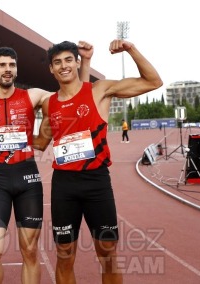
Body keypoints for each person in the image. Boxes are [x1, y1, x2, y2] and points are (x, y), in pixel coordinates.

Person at [33, 40, 162, 283]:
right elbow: (40, 142)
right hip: (63, 186)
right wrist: (4, 136)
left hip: (96, 183)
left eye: (68, 60)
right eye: (57, 62)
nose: (63, 66)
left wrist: (130, 49)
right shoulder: (50, 104)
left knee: (107, 251)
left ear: (77, 62)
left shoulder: (98, 90)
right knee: (64, 253)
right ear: (51, 68)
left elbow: (153, 81)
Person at [0, 44, 92, 283]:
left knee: (30, 251)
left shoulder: (33, 96)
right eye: (2, 65)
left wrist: (43, 137)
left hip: (28, 180)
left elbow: (73, 94)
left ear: (16, 69)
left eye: (12, 65)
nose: (7, 69)